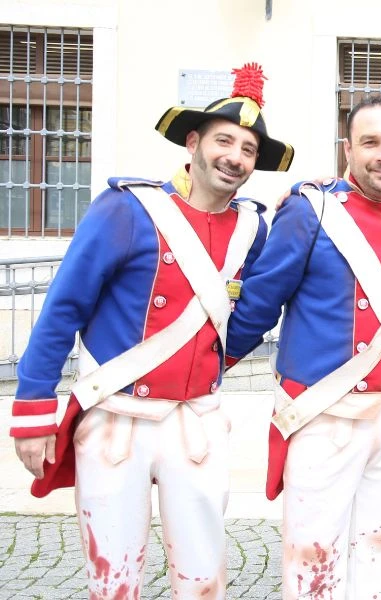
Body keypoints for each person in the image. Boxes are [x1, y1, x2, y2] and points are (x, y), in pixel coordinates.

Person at [10, 63, 289, 599]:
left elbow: (252, 315)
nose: (234, 157)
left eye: (249, 150)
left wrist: (209, 359)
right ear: (193, 142)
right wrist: (33, 411)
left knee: (204, 576)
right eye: (223, 141)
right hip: (117, 417)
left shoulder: (254, 227)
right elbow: (62, 309)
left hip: (196, 420)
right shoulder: (127, 208)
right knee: (113, 579)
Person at [225, 94, 381, 599]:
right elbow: (259, 303)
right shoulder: (309, 210)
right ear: (348, 150)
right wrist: (207, 368)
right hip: (324, 415)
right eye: (370, 143)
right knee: (313, 557)